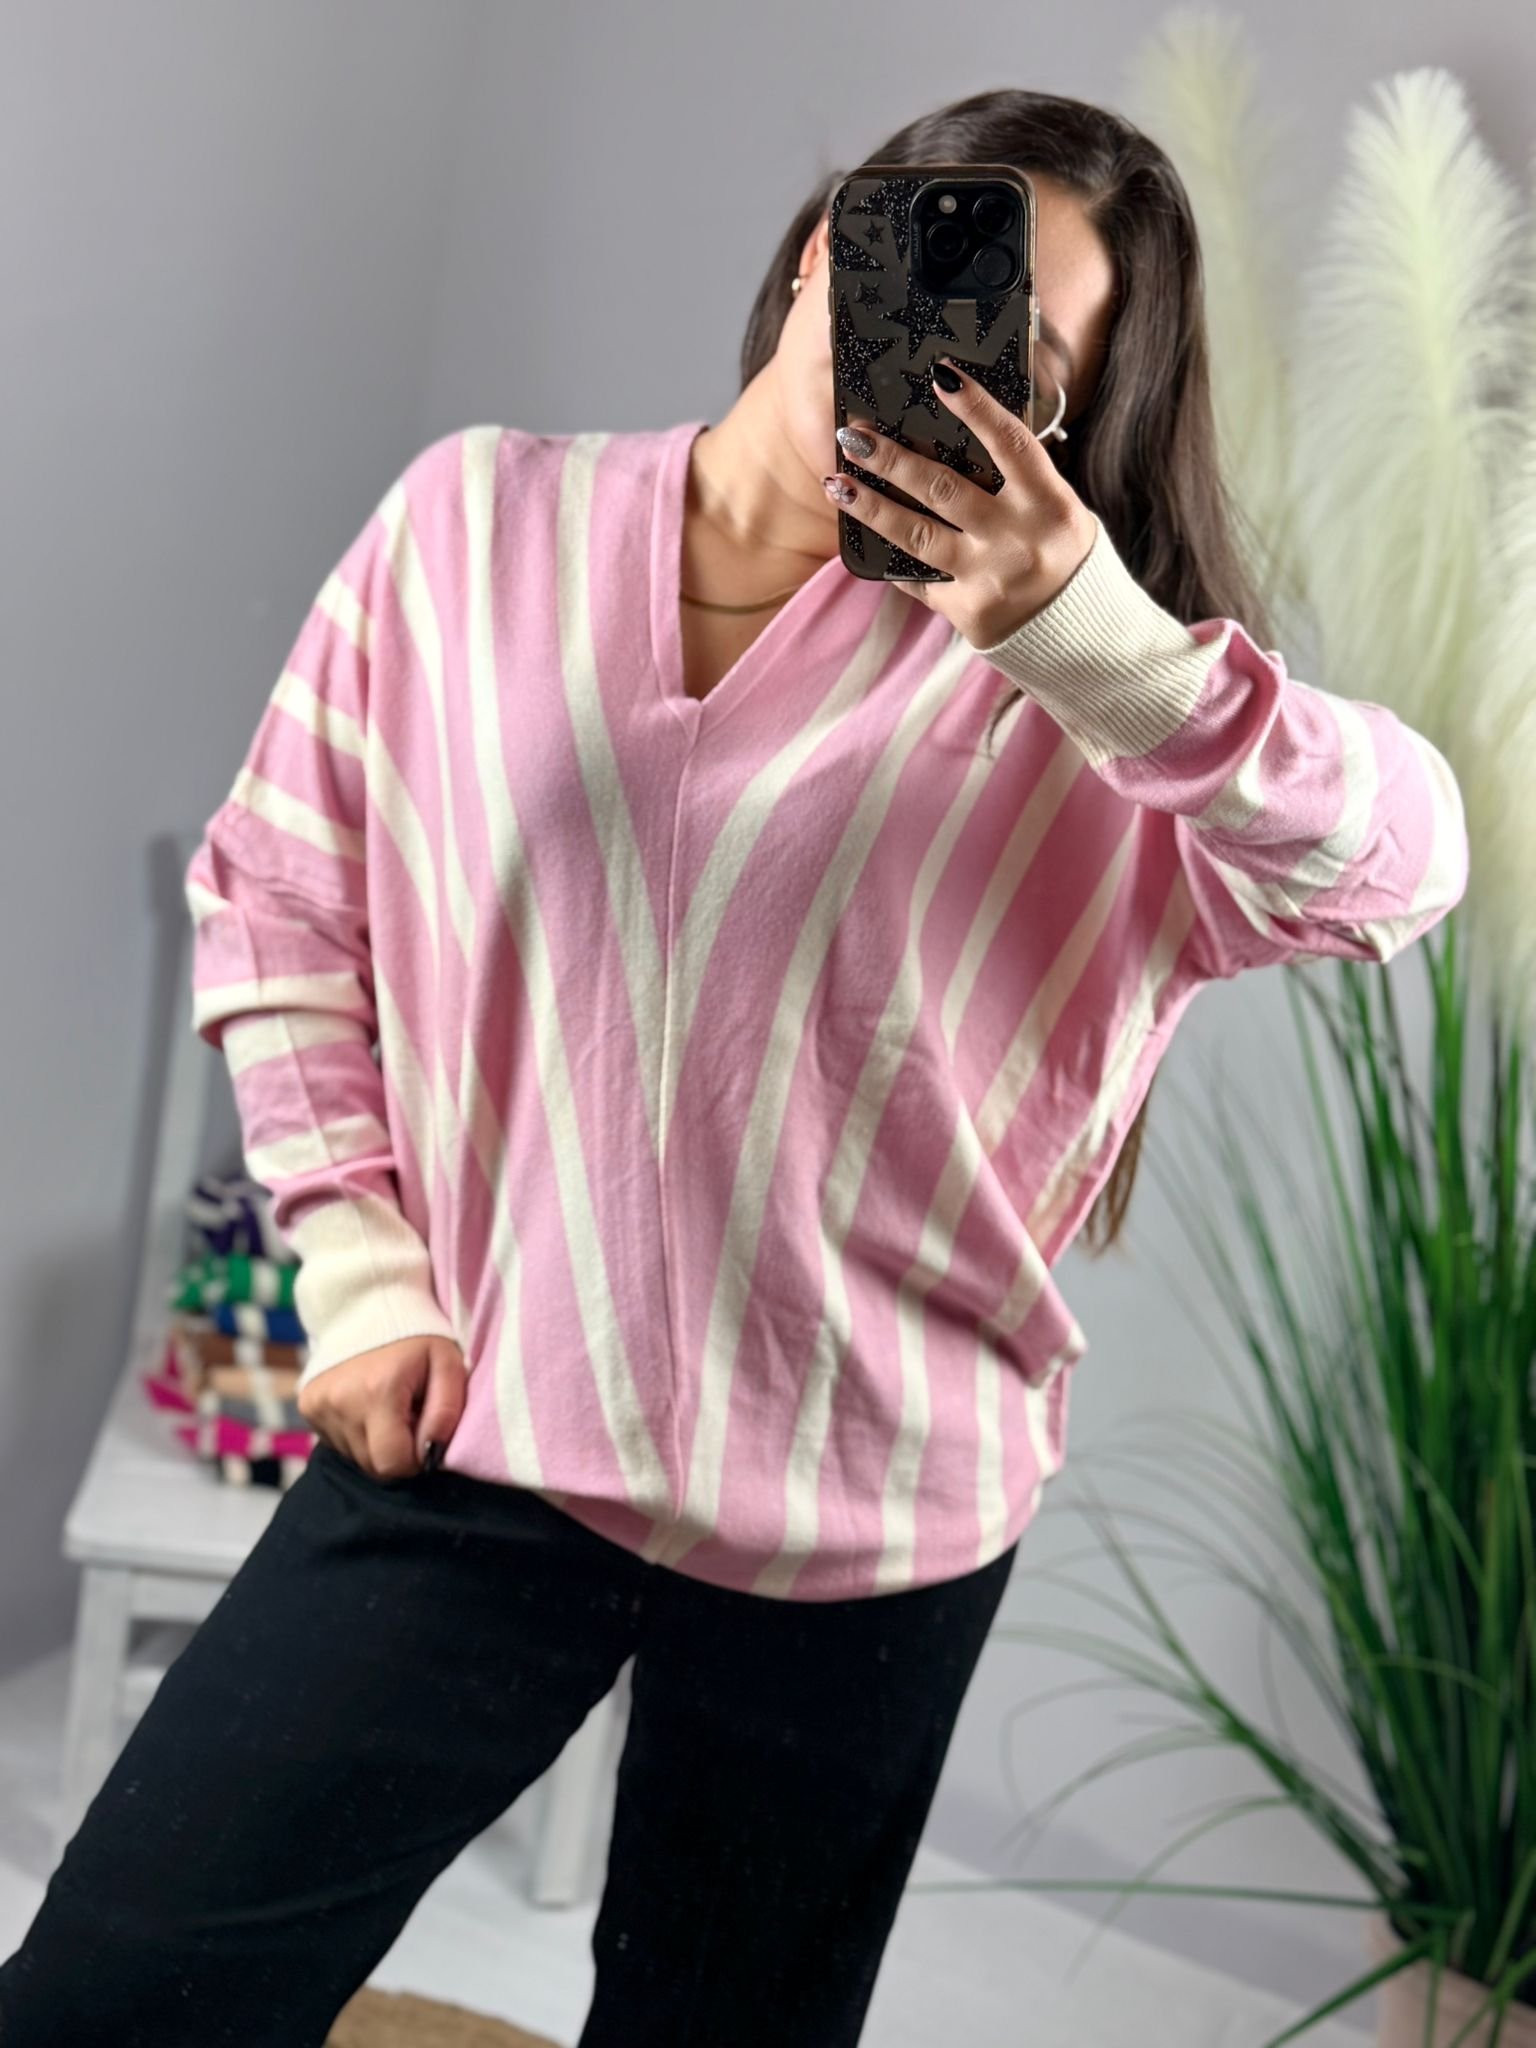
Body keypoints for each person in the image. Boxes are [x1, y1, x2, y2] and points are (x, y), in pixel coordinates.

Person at [0, 86, 1467, 2048]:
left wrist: (1094, 642)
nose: (928, 355)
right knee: (105, 2005)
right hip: (485, 1429)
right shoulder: (476, 522)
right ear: (818, 249)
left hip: (870, 1518)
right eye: (912, 257)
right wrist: (353, 1263)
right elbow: (282, 893)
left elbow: (1402, 865)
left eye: (1016, 363)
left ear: (1056, 432)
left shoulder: (1098, 705)